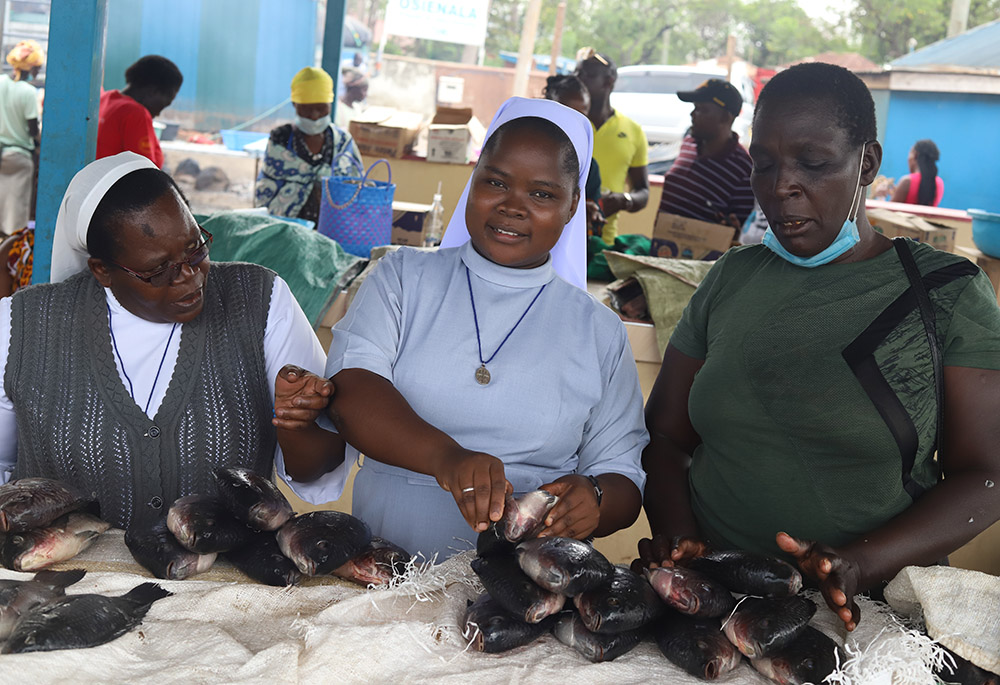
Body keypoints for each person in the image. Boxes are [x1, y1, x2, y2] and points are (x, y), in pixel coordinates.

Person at [636, 63, 1000, 633]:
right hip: (715, 605)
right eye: (765, 164)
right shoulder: (731, 277)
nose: (782, 185)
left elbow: (986, 475)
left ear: (868, 165)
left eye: (813, 163)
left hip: (870, 616)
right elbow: (664, 436)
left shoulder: (943, 292)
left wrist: (859, 564)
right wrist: (683, 541)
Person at [274, 97, 648, 560]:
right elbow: (353, 392)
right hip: (391, 573)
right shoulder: (402, 277)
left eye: (542, 194)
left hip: (524, 590)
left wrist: (593, 499)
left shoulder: (599, 331)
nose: (513, 206)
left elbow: (622, 476)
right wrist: (448, 460)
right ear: (472, 182)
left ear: (573, 206)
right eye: (495, 182)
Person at [0, 151, 334, 530]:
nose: (190, 275)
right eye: (158, 269)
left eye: (196, 247)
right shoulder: (19, 326)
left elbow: (316, 468)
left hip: (226, 585)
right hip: (59, 580)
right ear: (103, 270)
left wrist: (297, 427)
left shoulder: (261, 300)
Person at [255, 67, 363, 225]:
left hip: (333, 227)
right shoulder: (280, 138)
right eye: (306, 109)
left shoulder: (342, 142)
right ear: (294, 105)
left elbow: (358, 186)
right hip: (286, 228)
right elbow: (267, 189)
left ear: (330, 104)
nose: (314, 116)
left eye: (321, 108)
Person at [574, 48, 649, 245]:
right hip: (559, 237)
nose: (578, 80)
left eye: (587, 75)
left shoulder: (633, 131)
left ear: (609, 81)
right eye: (576, 74)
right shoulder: (569, 122)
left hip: (603, 241)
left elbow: (643, 191)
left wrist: (623, 200)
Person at [658, 79, 754, 230]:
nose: (692, 114)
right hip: (660, 246)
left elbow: (739, 231)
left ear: (725, 117)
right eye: (694, 108)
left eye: (701, 109)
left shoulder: (743, 170)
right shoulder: (688, 144)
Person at [542, 74, 603, 235]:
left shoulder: (589, 168)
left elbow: (593, 207)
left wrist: (589, 212)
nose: (574, 125)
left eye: (581, 118)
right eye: (567, 115)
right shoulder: (524, 155)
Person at [96, 55, 183, 168]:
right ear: (153, 91)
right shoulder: (135, 113)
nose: (158, 113)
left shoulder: (104, 99)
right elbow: (146, 174)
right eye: (164, 103)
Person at [0, 40, 44, 236]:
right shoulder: (28, 92)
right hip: (19, 158)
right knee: (15, 218)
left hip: (1, 153)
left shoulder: (0, 82)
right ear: (33, 67)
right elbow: (33, 128)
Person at [891, 139, 944, 207]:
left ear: (915, 155)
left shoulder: (907, 181)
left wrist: (881, 196)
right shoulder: (939, 183)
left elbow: (889, 213)